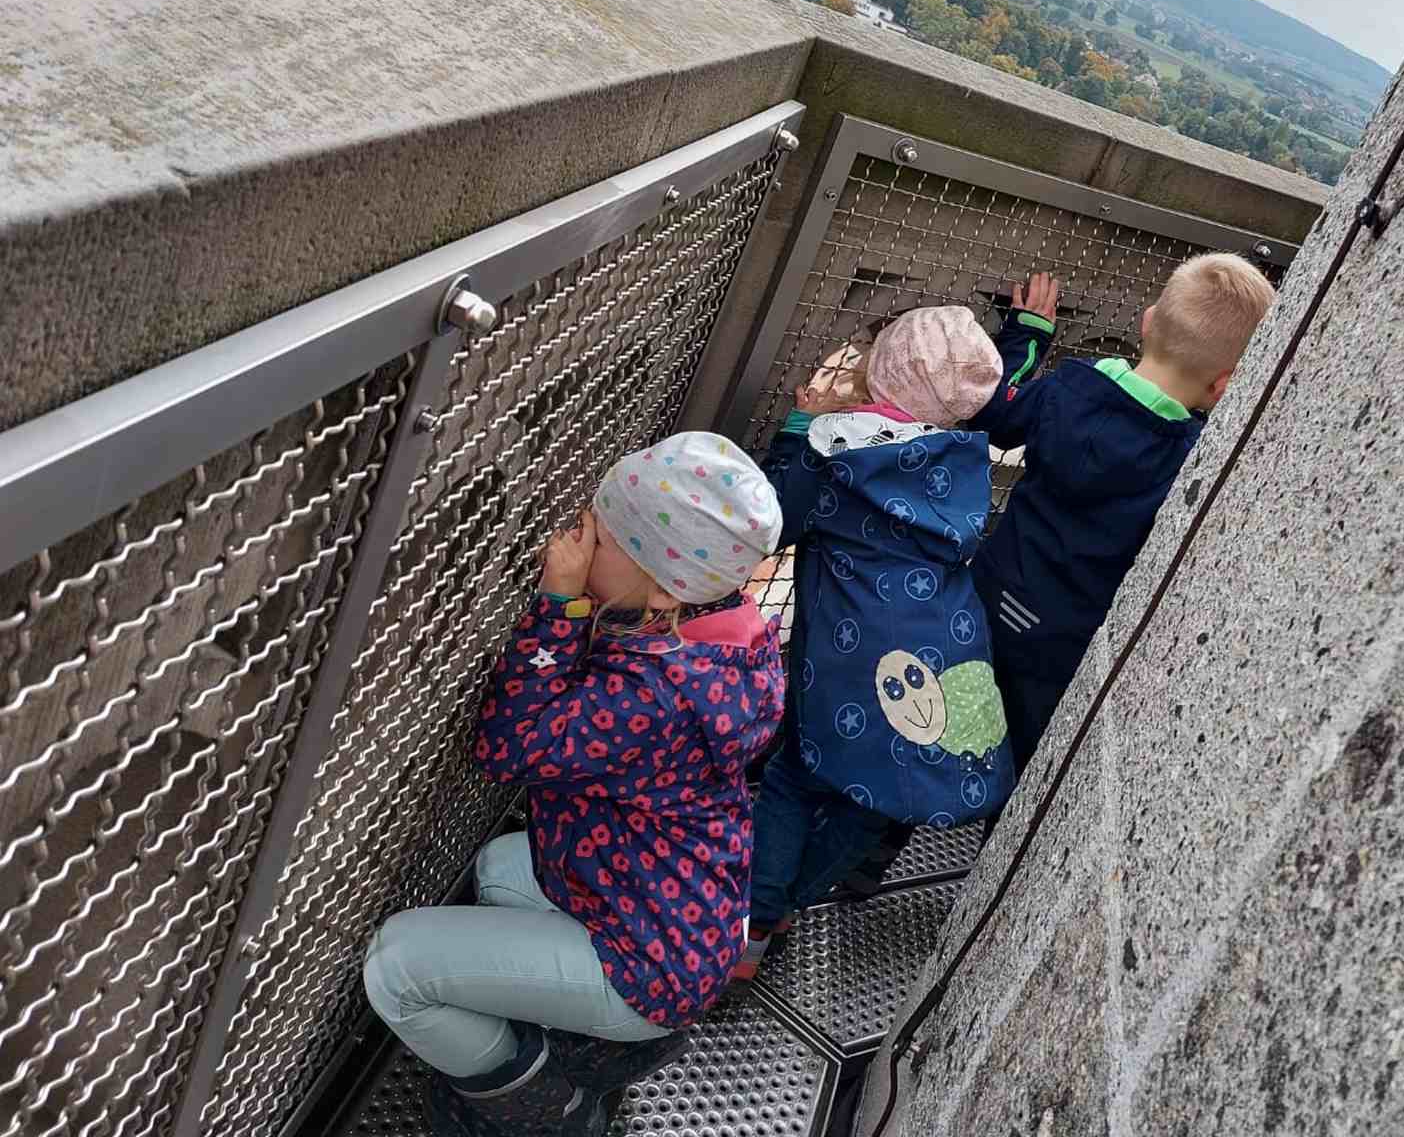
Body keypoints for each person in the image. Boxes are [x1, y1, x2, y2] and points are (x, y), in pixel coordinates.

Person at [363, 432, 785, 1137]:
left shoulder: (659, 693)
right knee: (499, 867)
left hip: (649, 969)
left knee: (396, 967)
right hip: (683, 924)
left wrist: (559, 605)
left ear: (662, 588)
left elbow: (504, 748)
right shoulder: (725, 640)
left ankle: (548, 1107)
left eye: (605, 539)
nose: (580, 545)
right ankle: (598, 1043)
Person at [737, 306, 1013, 979]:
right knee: (868, 802)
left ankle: (749, 925)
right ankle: (789, 903)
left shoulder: (841, 453)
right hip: (937, 655)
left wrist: (799, 427)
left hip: (850, 664)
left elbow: (775, 517)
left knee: (794, 778)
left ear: (879, 370)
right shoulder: (961, 463)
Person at [972, 254, 1274, 772]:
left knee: (936, 720)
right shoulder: (1191, 463)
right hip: (1060, 651)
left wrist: (1028, 335)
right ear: (1226, 386)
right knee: (1016, 769)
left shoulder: (1069, 387)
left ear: (1149, 320)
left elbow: (997, 415)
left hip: (985, 592)